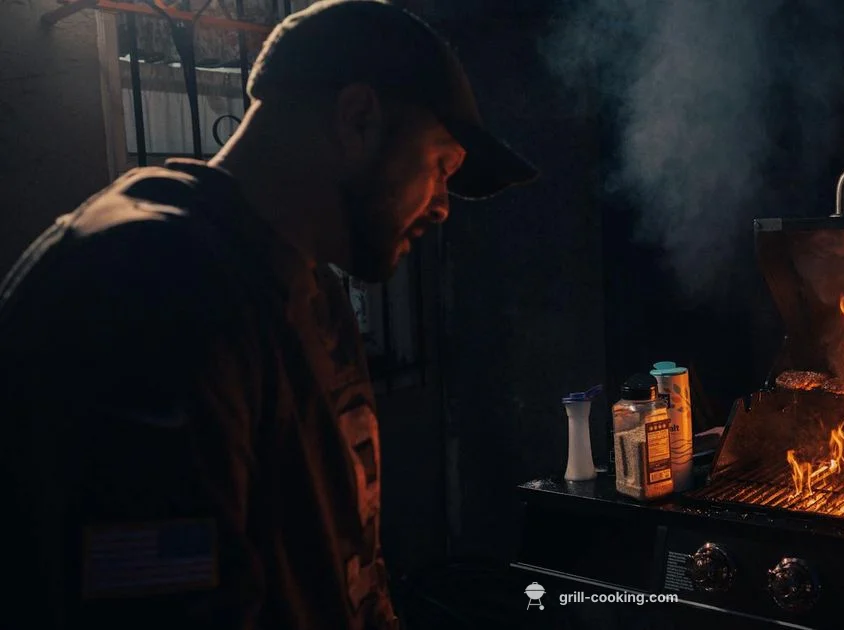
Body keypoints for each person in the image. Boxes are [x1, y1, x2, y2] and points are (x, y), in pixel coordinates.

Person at [0, 0, 535, 628]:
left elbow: (350, 571)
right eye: (440, 167)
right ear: (358, 118)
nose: (443, 205)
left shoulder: (309, 284)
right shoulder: (147, 285)